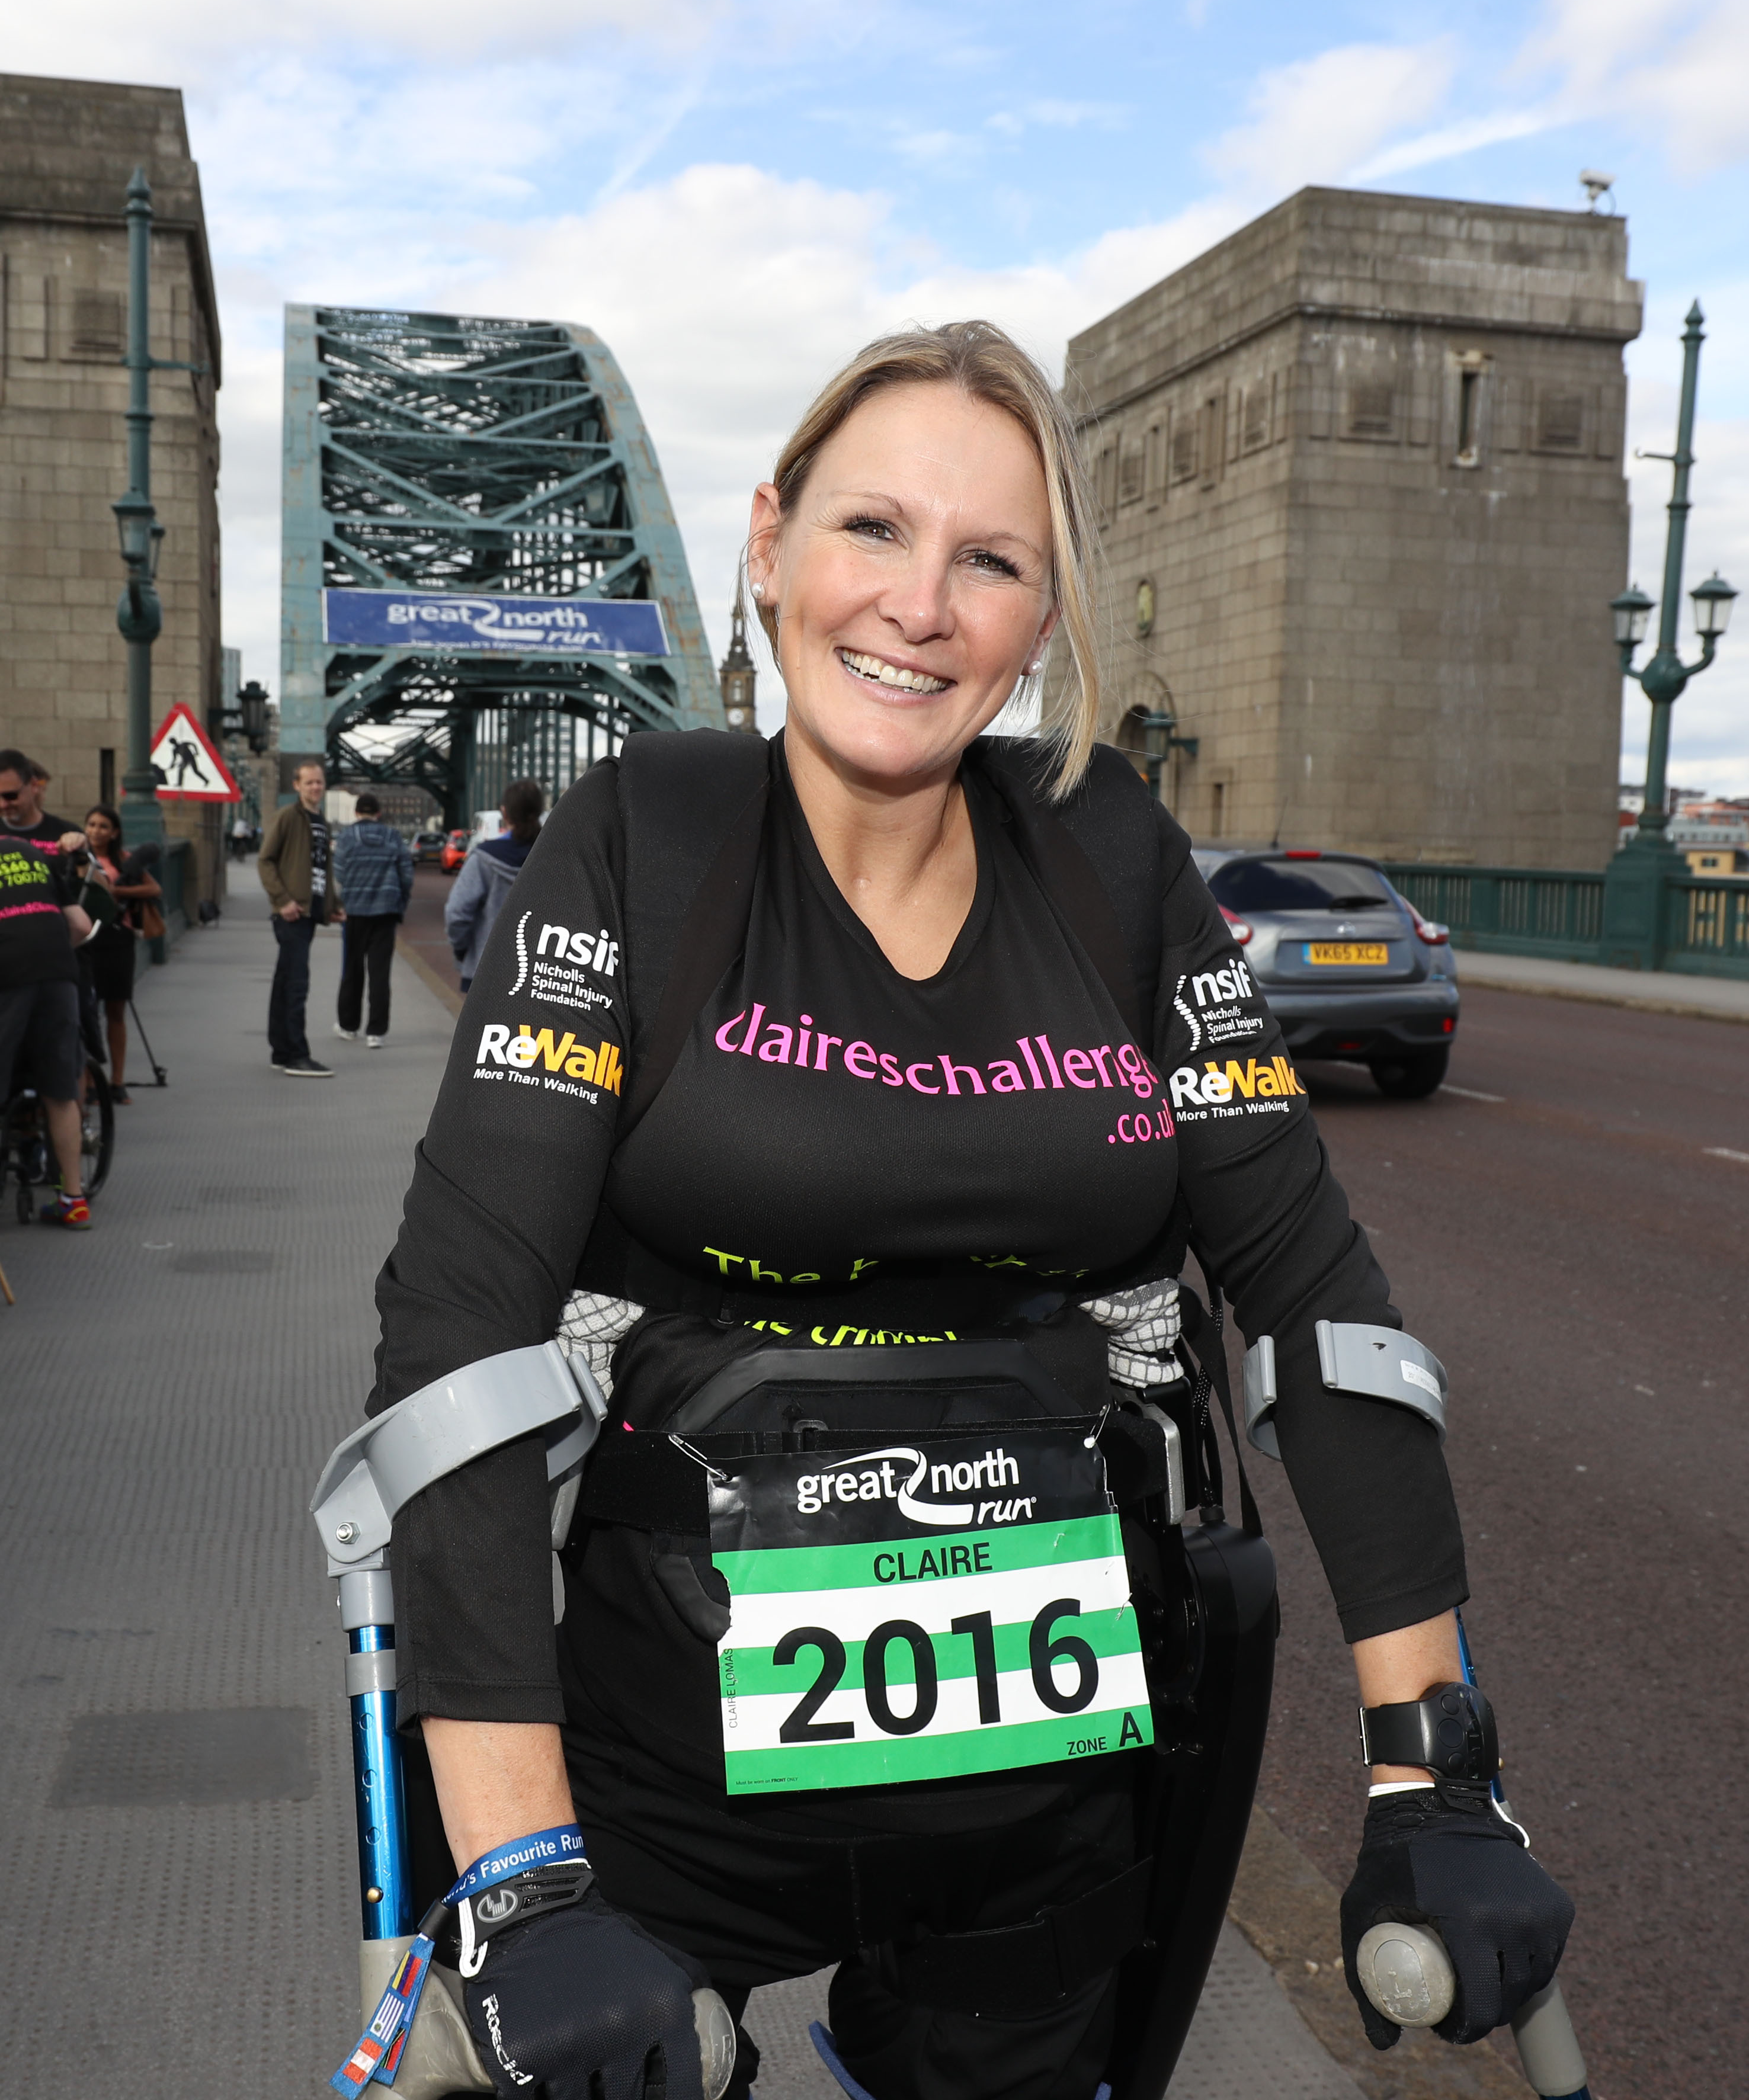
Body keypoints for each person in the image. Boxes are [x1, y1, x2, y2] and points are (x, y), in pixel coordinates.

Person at [367, 325, 1572, 2100]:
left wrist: (1435, 1767)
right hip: (657, 1754)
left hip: (1049, 1775)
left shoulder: (1107, 856)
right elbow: (455, 1331)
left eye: (990, 561)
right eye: (872, 530)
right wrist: (518, 1879)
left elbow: (1317, 1300)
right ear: (770, 543)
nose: (919, 606)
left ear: (1041, 618)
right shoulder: (646, 839)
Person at [0, 787, 95, 1227]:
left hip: (9, 973)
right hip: (58, 971)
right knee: (60, 1091)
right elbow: (79, 923)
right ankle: (73, 1200)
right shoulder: (27, 851)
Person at [258, 758, 342, 1076]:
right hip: (292, 914)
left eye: (319, 782)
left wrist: (333, 905)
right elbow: (266, 861)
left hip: (309, 913)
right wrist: (282, 901)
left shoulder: (321, 821)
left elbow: (321, 869)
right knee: (296, 984)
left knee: (285, 983)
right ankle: (296, 1054)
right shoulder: (287, 818)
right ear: (297, 786)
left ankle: (281, 1050)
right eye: (309, 783)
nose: (315, 788)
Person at [77, 805, 159, 1104]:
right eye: (92, 825)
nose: (96, 831)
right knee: (85, 1013)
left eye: (103, 826)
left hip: (117, 939)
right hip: (85, 939)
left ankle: (117, 1082)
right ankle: (87, 1081)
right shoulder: (77, 859)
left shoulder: (124, 861)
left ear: (114, 833)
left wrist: (118, 892)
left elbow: (154, 888)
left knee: (115, 1012)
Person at [443, 777, 544, 990]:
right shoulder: (555, 858)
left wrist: (464, 949)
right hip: (540, 976)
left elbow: (457, 912)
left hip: (485, 970)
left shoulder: (483, 858)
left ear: (504, 813)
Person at [333, 793, 414, 1048]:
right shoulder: (393, 837)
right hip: (385, 912)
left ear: (357, 813)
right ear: (378, 813)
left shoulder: (346, 838)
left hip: (355, 912)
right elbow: (406, 874)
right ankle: (376, 1032)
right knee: (380, 973)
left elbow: (339, 873)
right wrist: (399, 903)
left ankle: (348, 1026)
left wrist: (348, 896)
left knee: (352, 970)